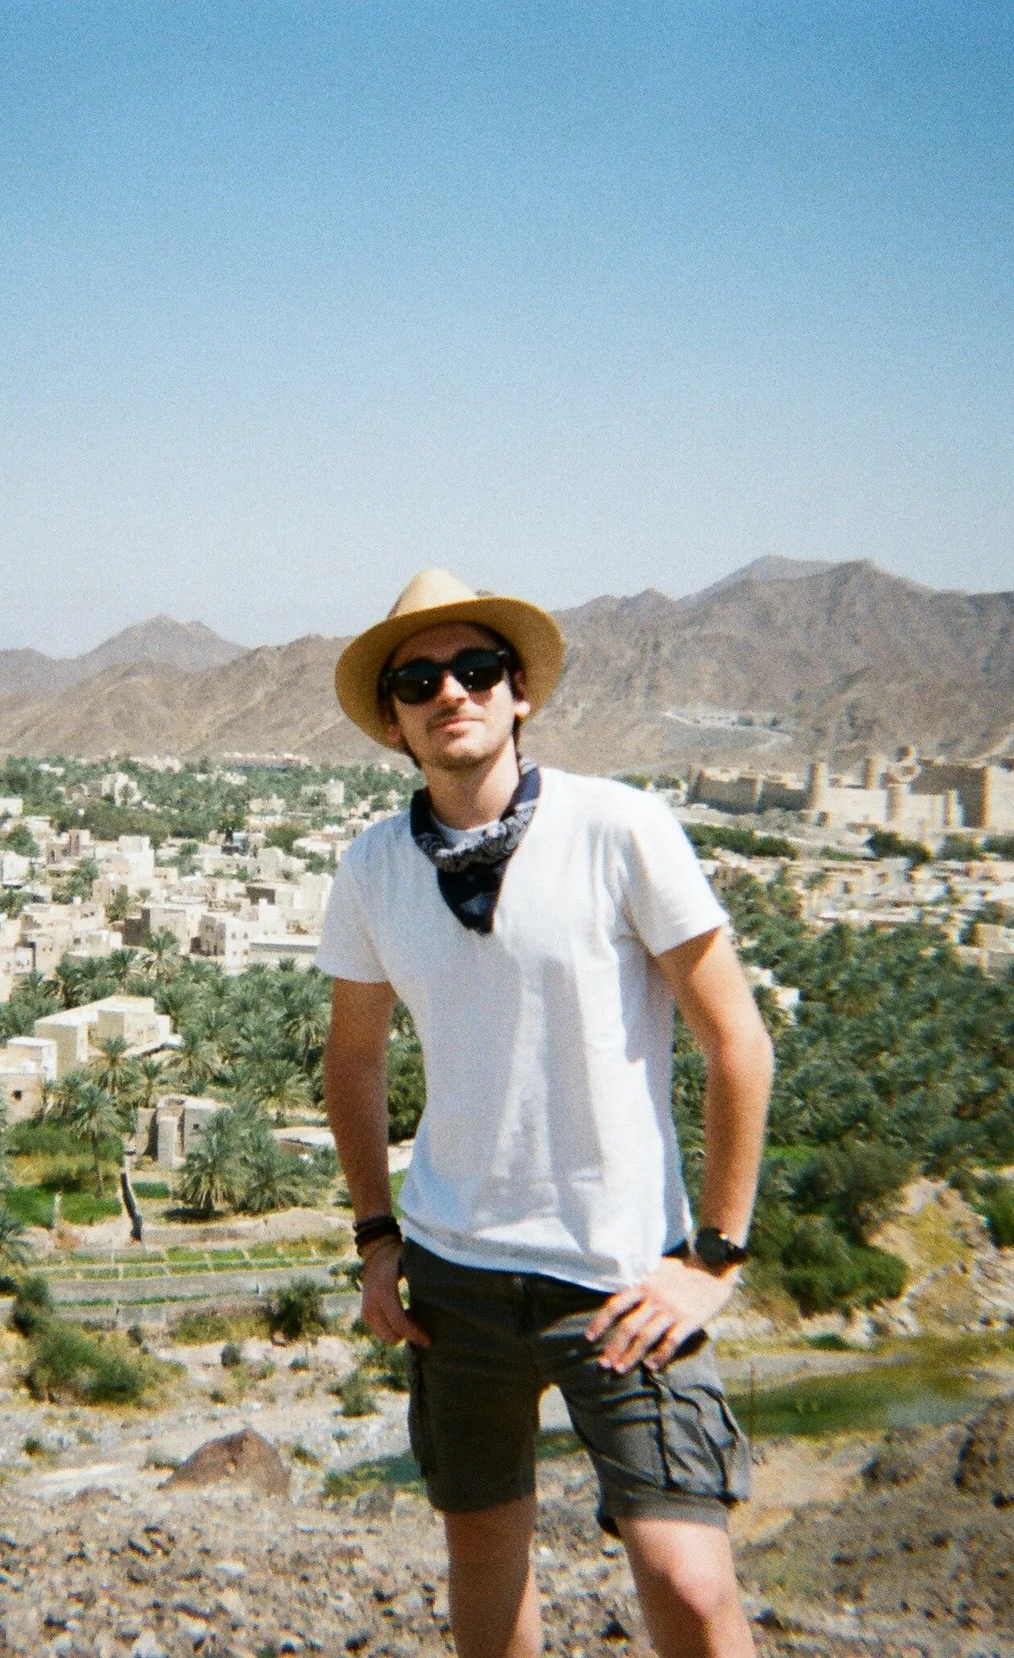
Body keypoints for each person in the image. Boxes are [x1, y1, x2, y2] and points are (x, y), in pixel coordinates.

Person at [318, 570, 774, 1658]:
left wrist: (713, 1252)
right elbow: (352, 1056)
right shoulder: (374, 866)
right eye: (418, 678)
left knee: (689, 1577)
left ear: (519, 693)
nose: (450, 693)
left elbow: (737, 1042)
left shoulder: (620, 829)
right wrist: (376, 1234)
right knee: (482, 1558)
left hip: (618, 1271)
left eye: (475, 669)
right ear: (392, 719)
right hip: (454, 1277)